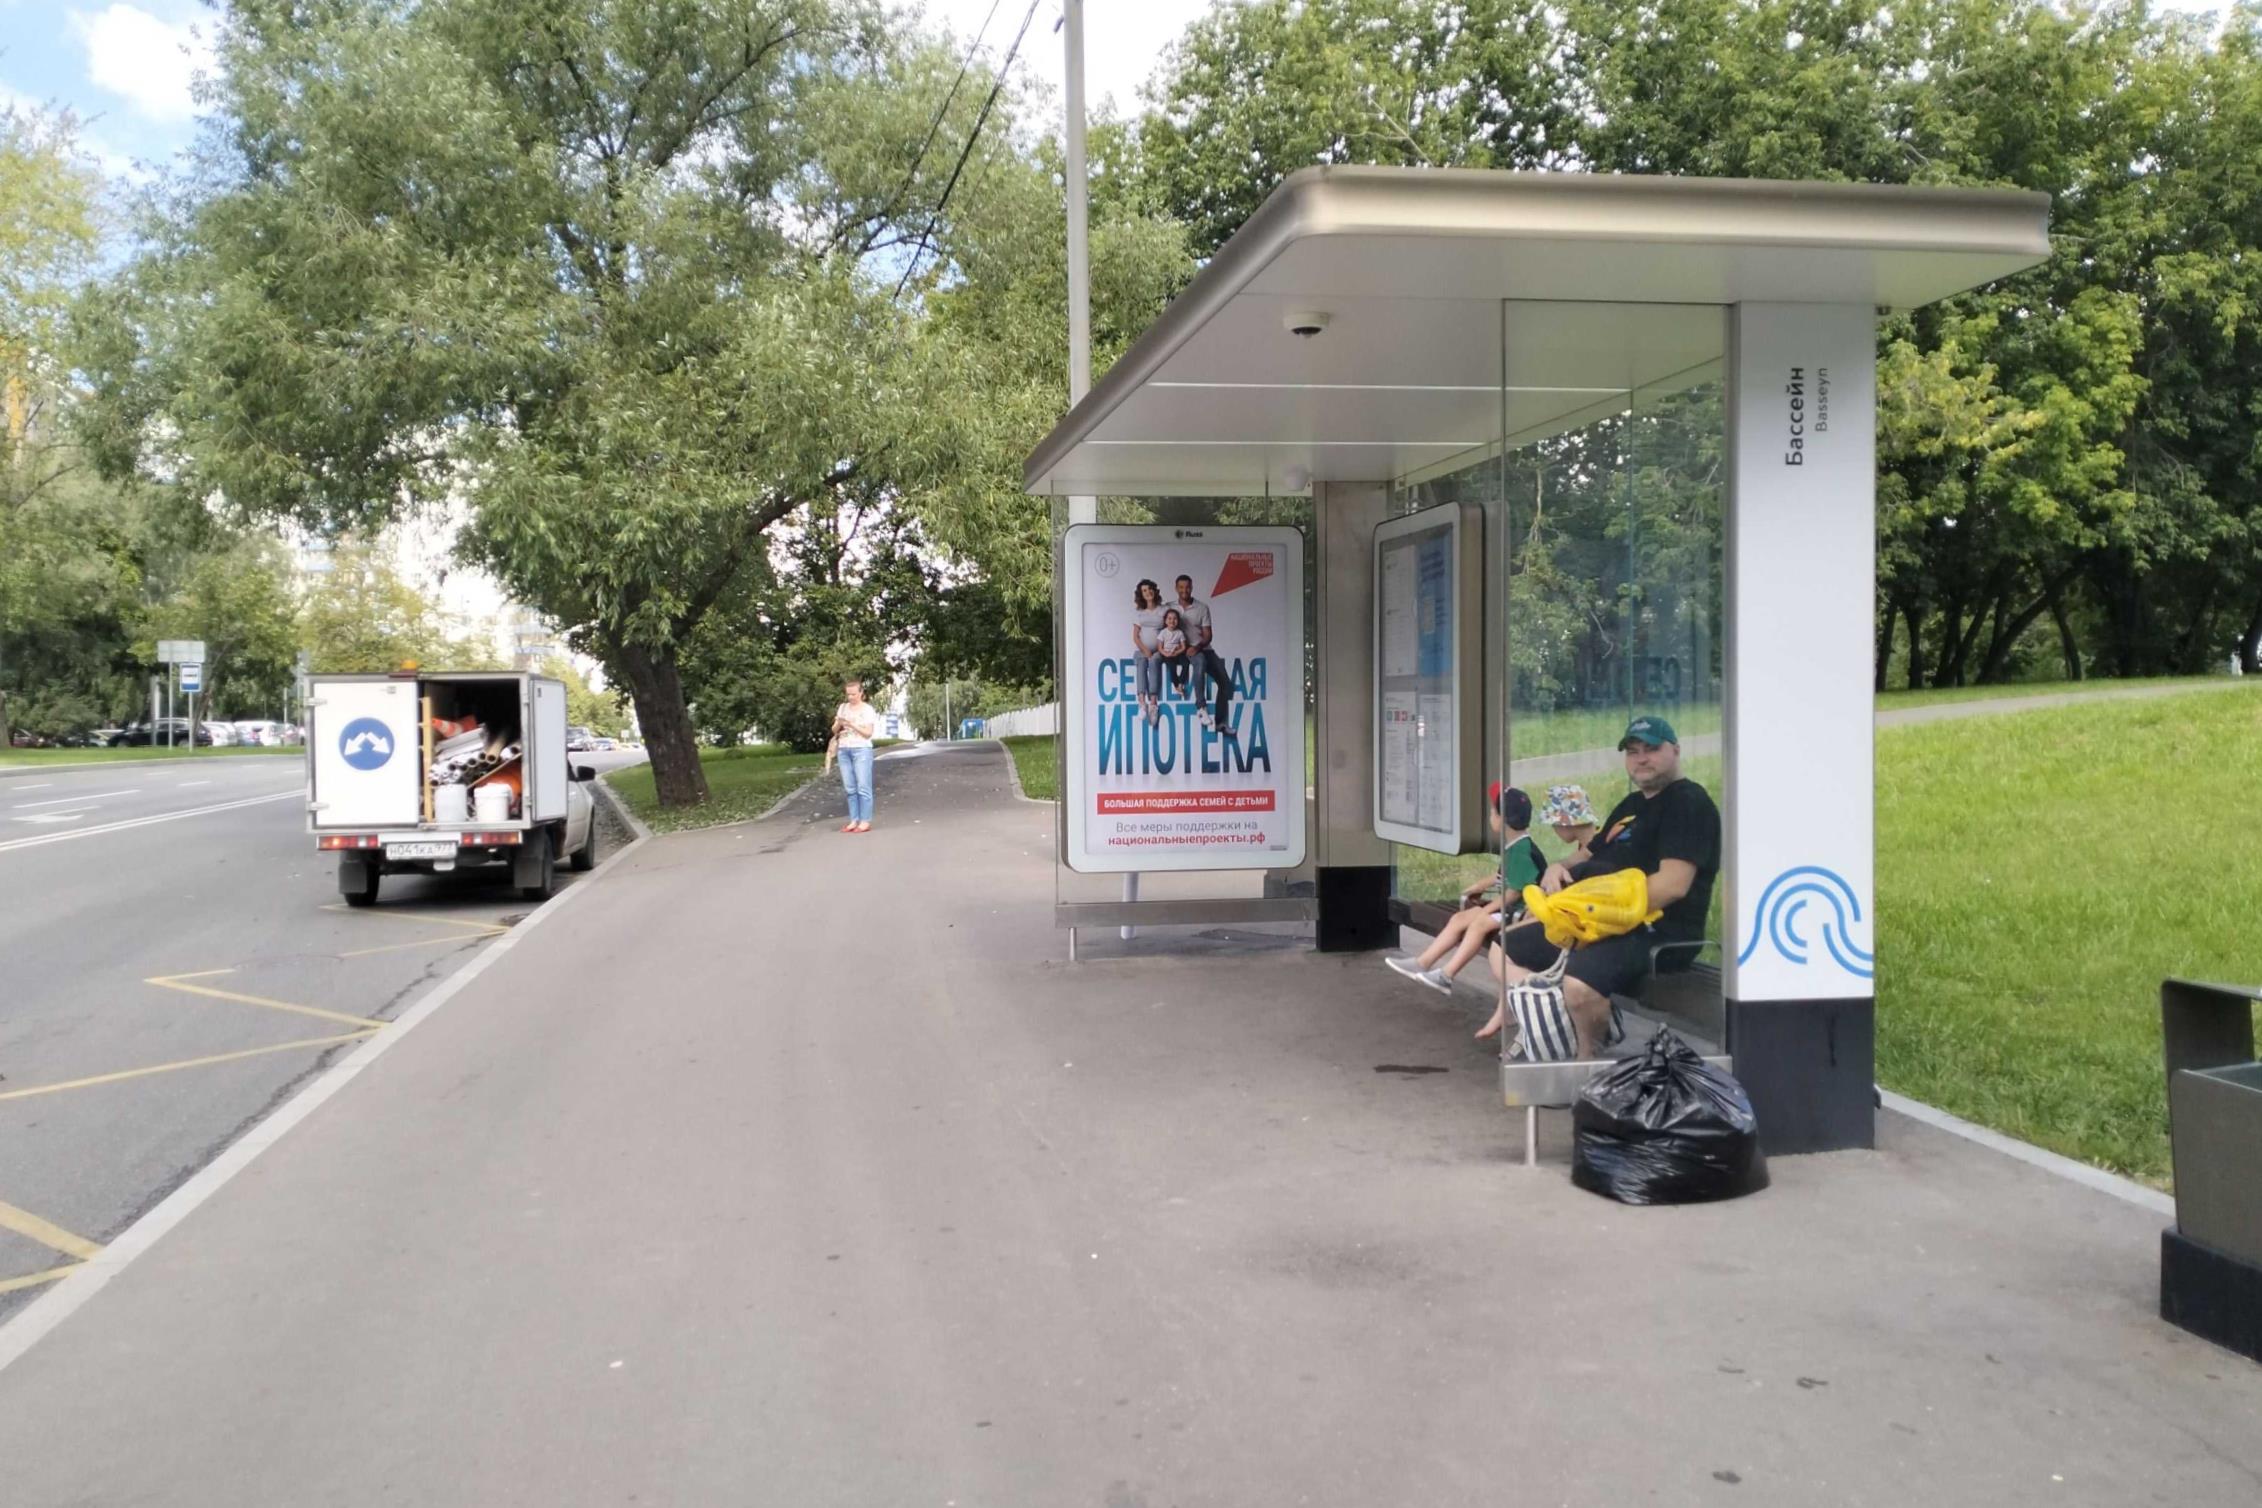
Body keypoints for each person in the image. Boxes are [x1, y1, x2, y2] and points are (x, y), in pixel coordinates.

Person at [1478, 716, 1720, 1056]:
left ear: (1676, 751)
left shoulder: (1689, 803)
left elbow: (1673, 885)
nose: (1641, 759)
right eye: (1632, 752)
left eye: (1651, 749)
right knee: (1505, 946)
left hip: (1654, 929)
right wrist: (1558, 869)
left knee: (1579, 985)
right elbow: (1586, 854)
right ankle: (1556, 1012)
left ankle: (1586, 1058)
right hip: (1595, 920)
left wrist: (1593, 912)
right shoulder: (1631, 805)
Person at [1385, 784, 1545, 992]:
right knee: (1460, 919)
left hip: (1522, 913)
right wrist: (1478, 886)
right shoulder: (1515, 846)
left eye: (1492, 812)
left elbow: (1513, 893)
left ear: (1502, 819)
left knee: (1479, 924)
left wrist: (1486, 910)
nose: (1490, 816)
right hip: (1509, 909)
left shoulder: (1521, 851)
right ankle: (1422, 962)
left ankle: (1446, 975)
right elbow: (1502, 876)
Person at [1170, 574, 1234, 732]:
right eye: (1181, 587)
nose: (1184, 590)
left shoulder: (1202, 608)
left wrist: (1197, 647)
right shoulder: (1169, 607)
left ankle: (1221, 723)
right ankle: (1201, 707)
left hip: (1202, 648)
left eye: (1187, 587)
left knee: (1225, 683)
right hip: (1183, 650)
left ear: (1192, 588)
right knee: (1199, 662)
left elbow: (1208, 636)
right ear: (1176, 588)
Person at [831, 679, 881, 833]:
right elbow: (834, 730)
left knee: (863, 786)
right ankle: (854, 820)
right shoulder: (843, 708)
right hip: (844, 749)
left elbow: (868, 733)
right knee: (850, 787)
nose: (851, 697)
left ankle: (865, 821)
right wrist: (839, 723)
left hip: (861, 749)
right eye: (848, 694)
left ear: (861, 693)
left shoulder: (867, 710)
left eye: (853, 694)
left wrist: (852, 724)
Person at [1129, 579, 1168, 726]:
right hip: (1143, 649)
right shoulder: (1139, 613)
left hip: (1159, 649)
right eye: (1144, 590)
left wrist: (1160, 648)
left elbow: (1169, 630)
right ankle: (1141, 703)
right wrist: (1145, 650)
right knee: (1141, 662)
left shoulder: (1163, 610)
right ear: (1141, 594)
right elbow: (1135, 637)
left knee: (1154, 662)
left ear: (1154, 590)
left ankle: (1153, 704)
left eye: (1150, 589)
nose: (1148, 592)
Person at [1536, 783, 1600, 860]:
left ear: (1564, 823)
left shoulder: (1594, 855)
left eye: (1553, 824)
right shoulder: (1597, 841)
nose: (1554, 829)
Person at [1157, 608, 1190, 697]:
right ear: (1165, 621)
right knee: (1172, 667)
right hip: (1167, 654)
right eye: (1169, 618)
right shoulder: (1163, 632)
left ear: (1178, 621)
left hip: (1177, 653)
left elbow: (1183, 647)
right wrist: (1166, 654)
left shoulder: (1180, 633)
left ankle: (1181, 683)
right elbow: (1160, 648)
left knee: (1186, 663)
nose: (1172, 621)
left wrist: (1177, 652)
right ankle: (1176, 685)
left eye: (1175, 619)